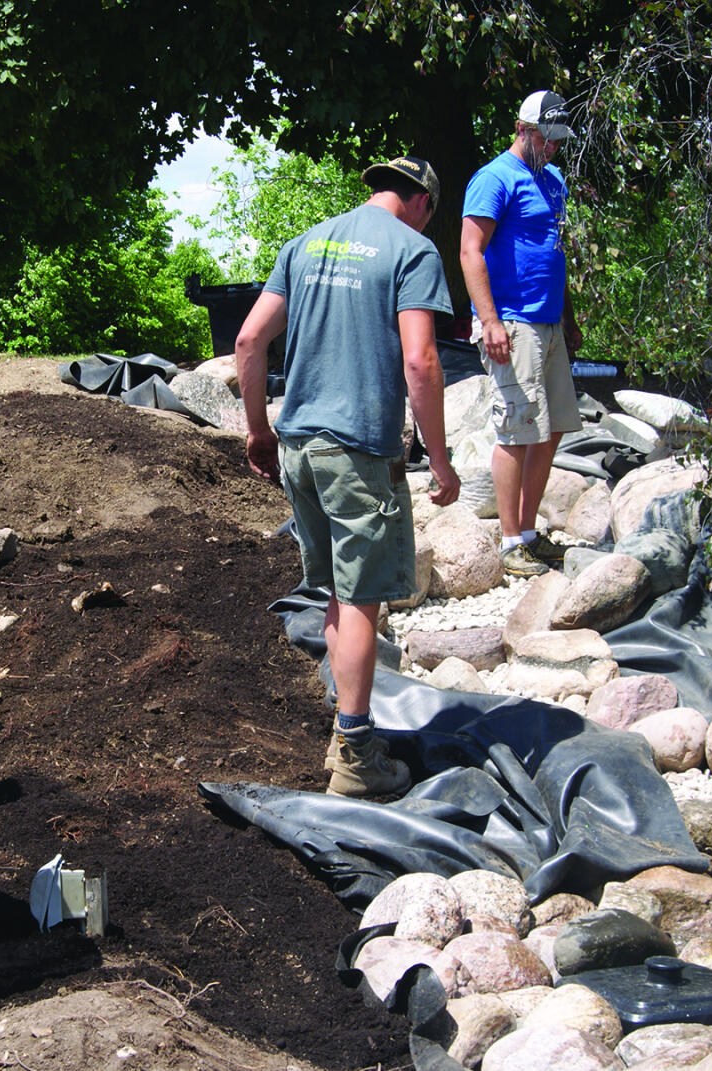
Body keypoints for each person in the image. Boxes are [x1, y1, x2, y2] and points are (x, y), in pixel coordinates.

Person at [235, 155, 460, 799]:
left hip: (299, 444)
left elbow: (249, 342)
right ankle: (357, 755)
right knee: (363, 598)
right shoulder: (413, 252)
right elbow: (420, 361)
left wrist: (258, 429)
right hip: (358, 450)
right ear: (421, 203)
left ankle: (347, 730)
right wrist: (438, 460)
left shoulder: (305, 244)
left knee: (337, 590)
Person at [460, 90, 585, 577]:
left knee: (550, 431)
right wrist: (489, 321)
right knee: (516, 429)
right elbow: (471, 251)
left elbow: (557, 254)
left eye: (558, 140)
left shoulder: (553, 181)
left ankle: (531, 533)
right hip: (511, 321)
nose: (553, 147)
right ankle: (511, 542)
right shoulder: (493, 179)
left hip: (549, 320)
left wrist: (568, 317)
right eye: (546, 138)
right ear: (522, 128)